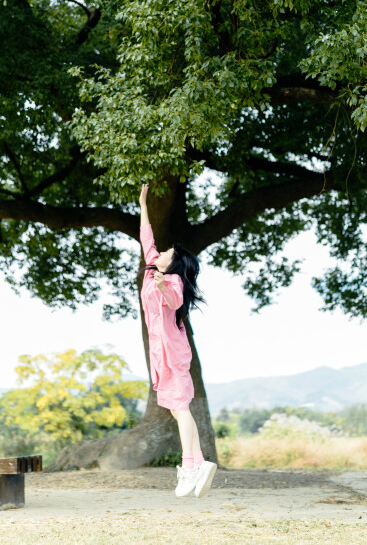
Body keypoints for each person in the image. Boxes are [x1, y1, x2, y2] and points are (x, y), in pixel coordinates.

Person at [138, 183, 217, 498]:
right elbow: (147, 238)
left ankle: (189, 468)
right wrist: (143, 204)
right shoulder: (150, 271)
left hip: (173, 355)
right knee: (176, 409)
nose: (163, 253)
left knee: (181, 410)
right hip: (161, 355)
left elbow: (172, 299)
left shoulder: (170, 281)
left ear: (172, 264)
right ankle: (199, 463)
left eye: (169, 254)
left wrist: (163, 285)